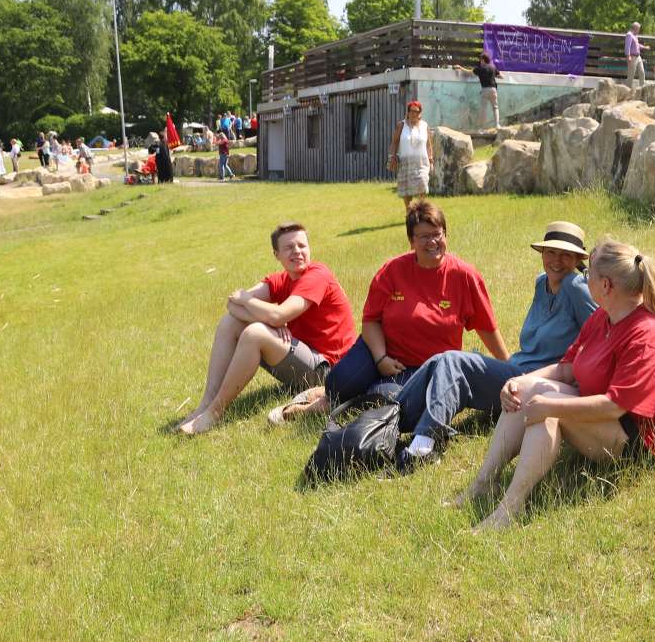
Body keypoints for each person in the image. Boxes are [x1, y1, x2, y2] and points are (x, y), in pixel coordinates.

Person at [447, 239, 655, 530]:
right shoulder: (604, 316)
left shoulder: (650, 336)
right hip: (607, 418)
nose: (584, 280)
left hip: (642, 443)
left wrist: (551, 405)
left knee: (547, 406)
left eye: (588, 276)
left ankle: (510, 509)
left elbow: (614, 407)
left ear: (606, 286)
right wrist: (519, 382)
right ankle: (483, 483)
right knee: (528, 391)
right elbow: (565, 371)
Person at [393, 220, 597, 461]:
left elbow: (601, 333)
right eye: (551, 252)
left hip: (536, 381)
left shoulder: (576, 287)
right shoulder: (542, 282)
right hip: (518, 369)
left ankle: (422, 446)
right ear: (542, 253)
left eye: (565, 255)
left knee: (453, 362)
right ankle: (390, 421)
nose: (556, 260)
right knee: (441, 361)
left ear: (576, 259)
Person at [315, 200, 508, 411]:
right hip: (380, 351)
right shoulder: (392, 271)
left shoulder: (465, 276)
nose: (432, 241)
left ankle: (354, 396)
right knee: (337, 383)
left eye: (437, 234)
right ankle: (328, 395)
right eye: (424, 236)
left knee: (386, 400)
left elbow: (486, 326)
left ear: (446, 235)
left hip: (423, 368)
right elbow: (371, 320)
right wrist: (381, 359)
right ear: (411, 241)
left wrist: (508, 368)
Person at [177, 223, 357, 435]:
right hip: (306, 359)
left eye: (302, 245)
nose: (297, 251)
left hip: (330, 371)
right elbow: (232, 305)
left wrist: (252, 303)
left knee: (255, 334)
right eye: (289, 247)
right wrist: (268, 319)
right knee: (229, 322)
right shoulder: (280, 280)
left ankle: (214, 413)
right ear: (276, 254)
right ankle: (205, 404)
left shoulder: (317, 275)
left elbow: (275, 313)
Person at [388, 100, 433, 213]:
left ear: (420, 113)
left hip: (421, 163)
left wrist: (431, 159)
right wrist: (392, 156)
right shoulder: (401, 125)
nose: (414, 114)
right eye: (412, 111)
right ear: (408, 112)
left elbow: (428, 144)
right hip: (405, 164)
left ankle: (421, 212)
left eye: (417, 112)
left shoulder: (424, 126)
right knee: (406, 192)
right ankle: (409, 212)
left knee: (422, 185)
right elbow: (394, 142)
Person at [453, 51, 501, 130]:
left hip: (485, 90)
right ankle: (497, 125)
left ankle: (482, 128)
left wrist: (460, 68)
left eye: (481, 60)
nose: (480, 61)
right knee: (495, 107)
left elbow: (469, 72)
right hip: (493, 90)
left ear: (483, 60)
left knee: (483, 110)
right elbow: (499, 75)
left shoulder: (480, 68)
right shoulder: (493, 67)